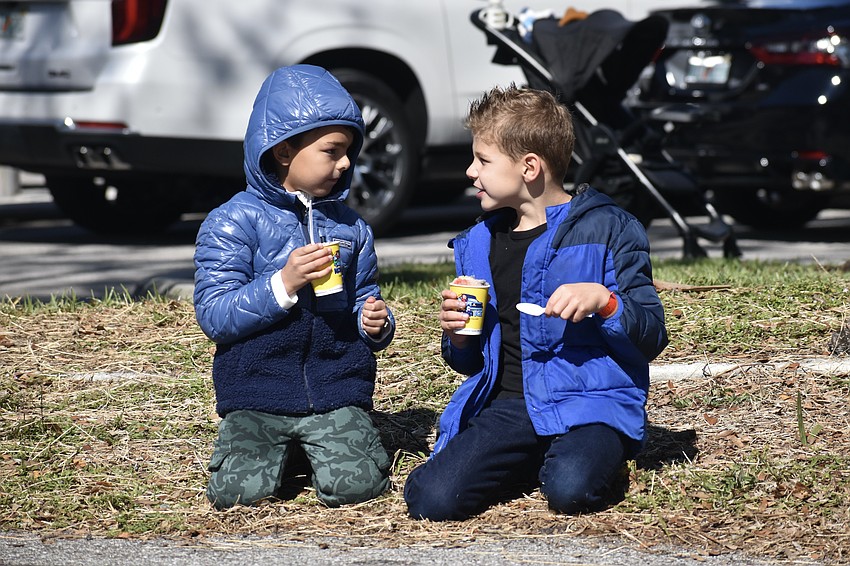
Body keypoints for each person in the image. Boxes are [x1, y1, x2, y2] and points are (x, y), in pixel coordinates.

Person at [403, 84, 668, 520]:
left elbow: (651, 334)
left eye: (483, 161)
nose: (471, 171)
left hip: (590, 403)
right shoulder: (478, 243)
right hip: (511, 405)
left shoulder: (609, 228)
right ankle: (531, 456)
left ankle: (588, 454)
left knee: (571, 491)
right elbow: (470, 363)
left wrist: (606, 302)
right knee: (432, 500)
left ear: (529, 167)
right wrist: (458, 337)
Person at [193, 64, 395, 510]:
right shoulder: (233, 221)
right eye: (331, 151)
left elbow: (365, 295)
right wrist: (282, 283)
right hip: (257, 388)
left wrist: (375, 322)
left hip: (334, 387)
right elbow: (214, 314)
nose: (345, 163)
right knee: (237, 495)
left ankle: (318, 444)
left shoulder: (351, 227)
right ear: (283, 151)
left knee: (359, 487)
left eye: (348, 152)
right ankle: (274, 447)